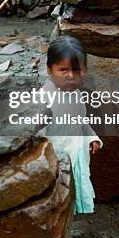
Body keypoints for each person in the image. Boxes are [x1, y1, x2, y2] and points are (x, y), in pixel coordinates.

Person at [38, 36, 102, 214]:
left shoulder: (77, 94)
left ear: (85, 70)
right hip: (56, 157)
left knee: (75, 187)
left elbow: (81, 121)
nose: (71, 76)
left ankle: (72, 216)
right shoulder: (44, 98)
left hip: (77, 153)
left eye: (77, 70)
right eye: (63, 70)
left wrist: (91, 138)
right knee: (57, 194)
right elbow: (38, 135)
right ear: (50, 70)